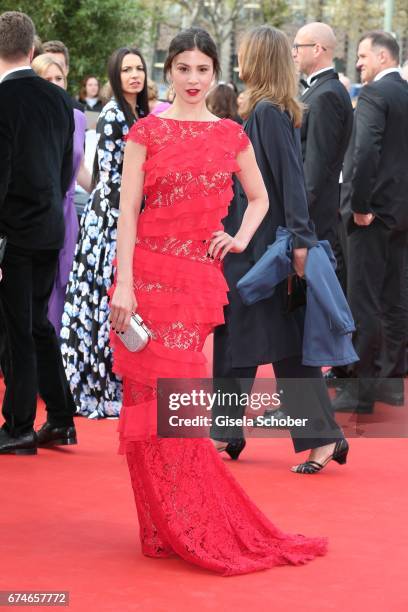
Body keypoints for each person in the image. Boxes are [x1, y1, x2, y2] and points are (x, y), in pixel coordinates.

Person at [109, 27, 327, 575]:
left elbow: (261, 198)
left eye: (202, 70)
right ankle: (161, 522)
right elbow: (126, 214)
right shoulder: (146, 131)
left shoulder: (231, 134)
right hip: (145, 282)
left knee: (175, 401)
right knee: (144, 399)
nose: (192, 79)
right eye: (182, 68)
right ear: (169, 71)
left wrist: (240, 238)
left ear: (215, 74)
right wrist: (124, 285)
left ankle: (190, 517)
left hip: (193, 283)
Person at [211, 25, 349, 474]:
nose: (238, 59)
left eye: (245, 52)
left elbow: (290, 180)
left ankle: (320, 438)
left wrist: (302, 245)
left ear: (257, 60)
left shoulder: (268, 112)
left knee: (274, 345)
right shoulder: (267, 109)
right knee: (248, 339)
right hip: (256, 244)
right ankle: (229, 432)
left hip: (266, 248)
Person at [0, 11, 76, 455]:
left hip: (13, 233)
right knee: (38, 324)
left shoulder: (3, 101)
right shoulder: (59, 100)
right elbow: (64, 169)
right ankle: (62, 419)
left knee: (17, 329)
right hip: (50, 225)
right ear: (32, 50)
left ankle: (19, 426)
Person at [60, 47, 149, 419]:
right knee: (104, 297)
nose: (134, 75)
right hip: (111, 216)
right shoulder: (114, 114)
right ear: (115, 74)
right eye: (126, 69)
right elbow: (113, 177)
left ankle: (123, 379)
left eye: (139, 68)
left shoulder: (140, 113)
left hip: (129, 214)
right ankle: (100, 384)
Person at [335, 31, 408, 413]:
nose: (358, 63)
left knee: (362, 298)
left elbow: (364, 153)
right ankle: (390, 383)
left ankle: (359, 391)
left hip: (372, 214)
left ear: (382, 57)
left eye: (363, 56)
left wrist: (360, 205)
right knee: (394, 297)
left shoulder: (375, 95)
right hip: (400, 213)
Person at [31, 54, 92, 334]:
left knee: (62, 288)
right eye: (47, 80)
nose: (55, 85)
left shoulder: (78, 118)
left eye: (59, 79)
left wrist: (103, 193)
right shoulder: (25, 119)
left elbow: (79, 168)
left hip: (67, 216)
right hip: (33, 214)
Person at [293, 22, 353, 249]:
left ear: (317, 49)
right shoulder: (323, 90)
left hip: (314, 218)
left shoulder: (327, 94)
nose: (293, 52)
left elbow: (316, 165)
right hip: (315, 213)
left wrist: (297, 215)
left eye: (298, 46)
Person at [42, 40, 84, 112]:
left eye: (59, 65)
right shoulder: (26, 104)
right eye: (48, 64)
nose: (54, 68)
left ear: (67, 70)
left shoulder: (76, 109)